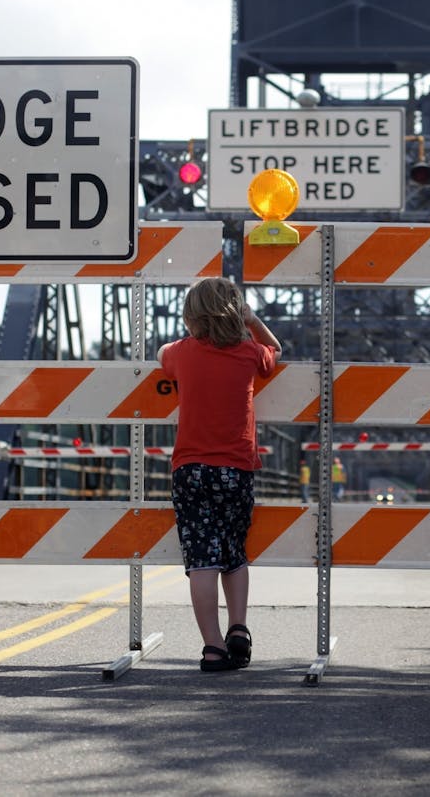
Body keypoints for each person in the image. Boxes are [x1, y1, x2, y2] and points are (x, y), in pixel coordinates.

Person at [157, 277, 281, 672]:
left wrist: (190, 336)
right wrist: (252, 319)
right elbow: (275, 348)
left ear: (192, 318)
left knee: (202, 561)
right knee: (234, 554)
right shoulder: (248, 352)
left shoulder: (183, 353)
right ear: (236, 313)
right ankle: (239, 628)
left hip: (190, 469)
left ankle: (213, 647)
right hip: (237, 468)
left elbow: (162, 353)